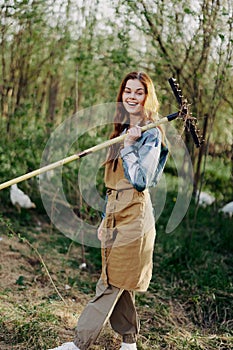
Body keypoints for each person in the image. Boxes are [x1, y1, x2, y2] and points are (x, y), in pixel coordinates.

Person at [49, 71, 168, 350]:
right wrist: (104, 219)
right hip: (115, 213)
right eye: (128, 90)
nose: (132, 96)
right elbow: (112, 184)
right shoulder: (121, 128)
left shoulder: (151, 134)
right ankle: (129, 343)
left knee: (109, 283)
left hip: (135, 217)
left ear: (147, 97)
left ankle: (78, 344)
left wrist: (129, 147)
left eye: (139, 92)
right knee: (119, 280)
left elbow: (141, 180)